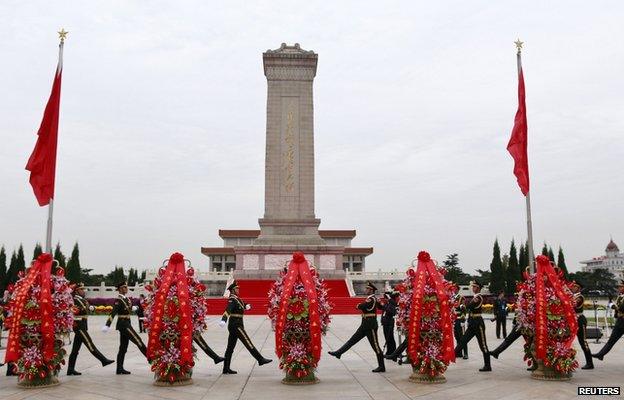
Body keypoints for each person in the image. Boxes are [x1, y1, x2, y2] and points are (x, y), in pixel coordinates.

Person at [329, 281, 385, 373]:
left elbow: (362, 306)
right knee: (352, 340)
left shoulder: (371, 299)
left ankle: (381, 366)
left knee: (375, 346)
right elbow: (377, 307)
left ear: (371, 290)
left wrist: (359, 305)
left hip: (370, 326)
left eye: (367, 289)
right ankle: (339, 353)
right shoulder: (372, 299)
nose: (366, 290)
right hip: (365, 325)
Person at [219, 281, 272, 374]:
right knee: (248, 342)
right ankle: (260, 359)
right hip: (236, 325)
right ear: (232, 290)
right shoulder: (232, 299)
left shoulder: (237, 299)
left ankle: (226, 368)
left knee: (230, 348)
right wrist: (224, 319)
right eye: (236, 289)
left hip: (236, 324)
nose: (238, 290)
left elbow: (243, 303)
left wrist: (247, 305)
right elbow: (227, 310)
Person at [67, 283, 114, 375]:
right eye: (81, 289)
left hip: (83, 325)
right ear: (77, 291)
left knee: (75, 350)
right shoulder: (74, 300)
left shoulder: (82, 300)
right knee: (89, 343)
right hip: (79, 326)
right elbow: (75, 310)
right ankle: (103, 360)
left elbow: (85, 309)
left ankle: (70, 369)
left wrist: (91, 308)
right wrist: (85, 308)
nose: (83, 291)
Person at [102, 281, 147, 375]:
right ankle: (151, 359)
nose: (126, 289)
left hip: (126, 323)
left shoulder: (126, 299)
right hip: (123, 324)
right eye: (124, 287)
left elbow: (128, 308)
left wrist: (134, 308)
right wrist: (107, 325)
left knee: (123, 348)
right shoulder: (118, 300)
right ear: (120, 289)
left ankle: (119, 368)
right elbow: (113, 313)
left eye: (126, 287)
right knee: (138, 340)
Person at [454, 280, 491, 371]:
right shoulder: (475, 297)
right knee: (462, 341)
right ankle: (450, 356)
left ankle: (488, 365)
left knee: (483, 345)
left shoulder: (479, 297)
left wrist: (462, 305)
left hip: (478, 324)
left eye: (474, 287)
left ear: (478, 288)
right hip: (472, 323)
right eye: (473, 286)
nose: (472, 288)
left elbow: (469, 306)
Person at [592, 280, 624, 361]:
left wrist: (611, 305)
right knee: (611, 340)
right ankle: (601, 354)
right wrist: (611, 302)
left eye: (621, 286)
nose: (619, 288)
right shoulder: (620, 296)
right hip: (620, 321)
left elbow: (621, 308)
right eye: (619, 286)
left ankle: (601, 354)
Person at [378, 290, 397, 360]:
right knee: (387, 338)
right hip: (385, 323)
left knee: (390, 338)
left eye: (385, 296)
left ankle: (393, 353)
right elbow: (381, 308)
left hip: (389, 323)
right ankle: (389, 352)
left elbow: (391, 311)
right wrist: (379, 303)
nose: (384, 298)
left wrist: (383, 305)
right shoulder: (388, 302)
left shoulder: (392, 302)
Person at [454, 293, 468, 359]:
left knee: (463, 338)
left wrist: (462, 322)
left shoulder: (462, 306)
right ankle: (459, 353)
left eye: (458, 300)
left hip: (460, 322)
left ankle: (465, 353)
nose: (456, 301)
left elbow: (463, 315)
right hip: (455, 322)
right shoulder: (455, 305)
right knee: (457, 337)